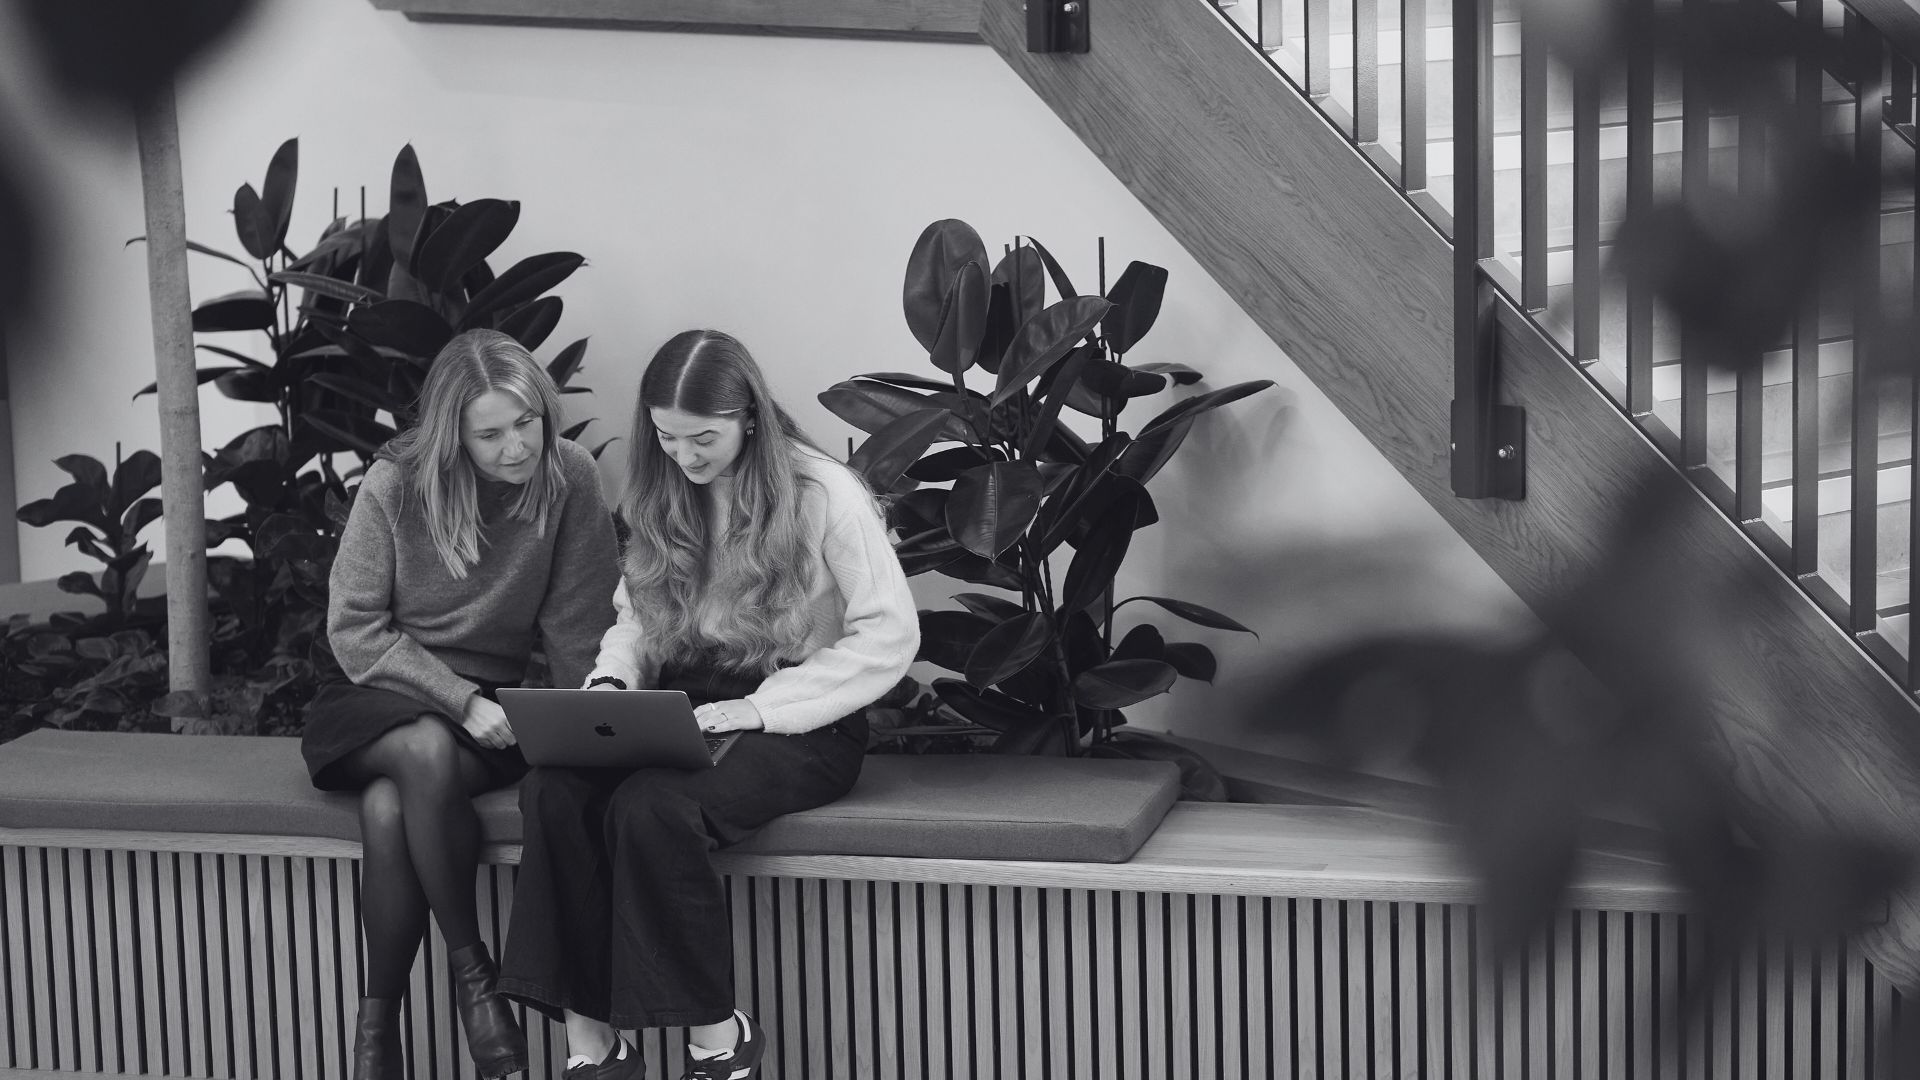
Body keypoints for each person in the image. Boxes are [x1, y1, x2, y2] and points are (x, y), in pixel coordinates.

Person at [497, 329, 919, 1079]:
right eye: (666, 437)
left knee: (654, 807)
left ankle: (718, 1039)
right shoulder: (662, 489)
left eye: (704, 439)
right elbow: (636, 621)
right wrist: (609, 689)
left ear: (749, 417)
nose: (685, 457)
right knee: (553, 791)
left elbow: (890, 635)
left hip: (802, 716)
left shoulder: (824, 493)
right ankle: (591, 1042)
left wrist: (763, 710)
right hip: (689, 701)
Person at [301, 328, 619, 1080]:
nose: (515, 446)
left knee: (389, 807)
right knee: (422, 747)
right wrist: (457, 697)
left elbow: (579, 630)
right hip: (377, 696)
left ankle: (375, 1034)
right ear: (453, 437)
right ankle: (474, 973)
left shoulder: (569, 478)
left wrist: (590, 735)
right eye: (490, 433)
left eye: (526, 422)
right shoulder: (396, 486)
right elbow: (354, 628)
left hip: (485, 715)